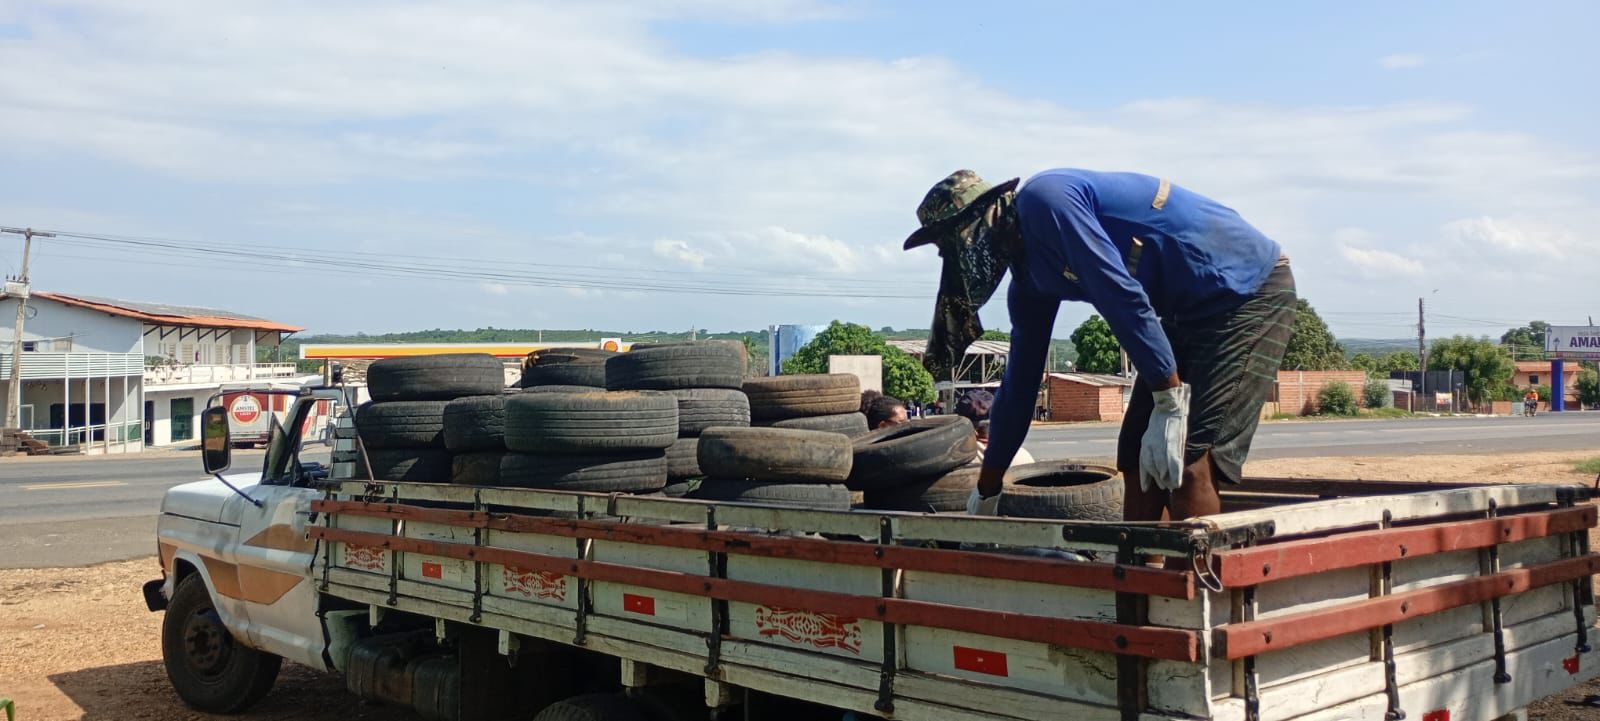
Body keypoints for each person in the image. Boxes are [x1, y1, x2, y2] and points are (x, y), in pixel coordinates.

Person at [903, 169, 1296, 522]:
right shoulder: (1029, 284)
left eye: (947, 245)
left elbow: (1120, 294)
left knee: (1189, 462)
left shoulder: (1046, 200)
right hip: (1186, 312)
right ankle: (1141, 590)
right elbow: (1020, 387)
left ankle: (1194, 596)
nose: (948, 257)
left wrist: (1169, 401)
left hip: (1247, 290)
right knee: (1137, 457)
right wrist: (987, 491)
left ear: (975, 222)